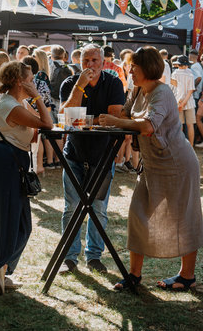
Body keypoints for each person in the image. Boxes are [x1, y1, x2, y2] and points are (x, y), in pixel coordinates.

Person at [94, 46, 203, 291]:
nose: (130, 70)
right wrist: (115, 117)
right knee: (138, 215)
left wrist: (116, 121)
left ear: (148, 68)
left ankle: (187, 276)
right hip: (152, 164)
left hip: (177, 163)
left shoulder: (162, 92)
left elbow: (148, 125)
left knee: (184, 217)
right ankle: (134, 275)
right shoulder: (137, 89)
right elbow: (124, 113)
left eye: (134, 66)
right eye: (130, 66)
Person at [57, 44, 125, 274]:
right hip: (74, 154)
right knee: (71, 207)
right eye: (86, 60)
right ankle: (69, 256)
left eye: (95, 60)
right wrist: (80, 86)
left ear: (103, 62)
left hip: (102, 156)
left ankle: (94, 256)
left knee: (99, 209)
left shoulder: (113, 83)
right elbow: (66, 118)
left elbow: (114, 117)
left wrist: (83, 121)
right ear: (79, 61)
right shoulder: (70, 83)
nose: (90, 65)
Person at [0, 61, 53, 294]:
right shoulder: (10, 105)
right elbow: (47, 123)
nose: (34, 83)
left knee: (23, 224)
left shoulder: (18, 103)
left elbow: (37, 132)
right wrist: (38, 98)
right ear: (19, 80)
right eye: (31, 79)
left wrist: (33, 100)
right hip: (6, 162)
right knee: (7, 218)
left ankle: (3, 269)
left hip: (15, 162)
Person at [171, 56, 196, 145]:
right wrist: (184, 102)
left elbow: (175, 89)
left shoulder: (174, 74)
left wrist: (180, 104)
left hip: (178, 102)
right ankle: (191, 146)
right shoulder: (190, 75)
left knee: (179, 126)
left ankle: (180, 146)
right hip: (189, 102)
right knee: (190, 125)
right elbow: (190, 91)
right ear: (186, 65)